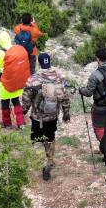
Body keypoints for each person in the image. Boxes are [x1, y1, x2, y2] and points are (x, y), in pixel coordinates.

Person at [21, 53, 70, 181]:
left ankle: (42, 162)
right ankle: (50, 160)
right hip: (53, 116)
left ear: (39, 63)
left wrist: (24, 111)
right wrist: (66, 113)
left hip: (38, 117)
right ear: (50, 62)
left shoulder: (34, 79)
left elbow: (26, 97)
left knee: (37, 138)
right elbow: (64, 96)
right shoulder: (60, 77)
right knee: (50, 137)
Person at [0, 35, 31, 129]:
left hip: (4, 82)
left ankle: (7, 123)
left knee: (5, 102)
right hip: (16, 81)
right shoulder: (16, 51)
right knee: (16, 101)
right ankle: (20, 123)